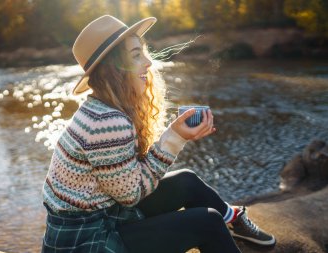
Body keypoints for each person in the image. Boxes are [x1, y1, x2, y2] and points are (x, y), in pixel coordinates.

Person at [41, 15, 275, 253]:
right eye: (135, 55)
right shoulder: (107, 122)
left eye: (143, 52)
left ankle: (232, 217)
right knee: (207, 222)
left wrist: (173, 135)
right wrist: (175, 138)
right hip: (85, 240)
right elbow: (132, 195)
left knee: (187, 181)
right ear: (114, 68)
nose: (148, 62)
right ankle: (224, 222)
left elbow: (127, 179)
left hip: (106, 214)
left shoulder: (103, 108)